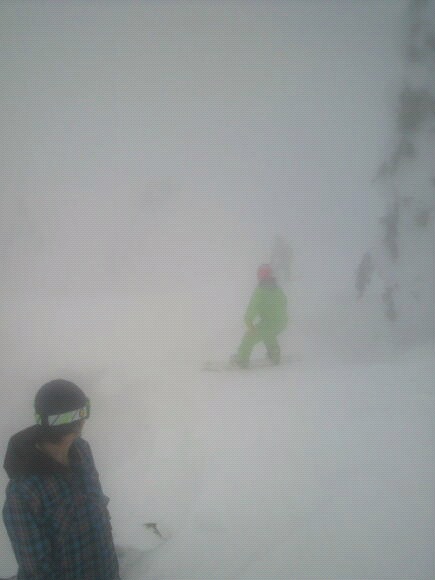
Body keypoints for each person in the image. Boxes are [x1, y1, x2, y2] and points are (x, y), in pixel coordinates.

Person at [2, 379, 120, 580]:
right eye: (85, 411)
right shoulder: (23, 492)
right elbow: (37, 571)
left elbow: (98, 506)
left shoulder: (82, 451)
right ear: (78, 419)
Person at [233, 264, 288, 368]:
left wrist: (248, 321)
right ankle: (274, 355)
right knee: (269, 335)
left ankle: (241, 360)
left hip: (269, 323)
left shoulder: (260, 291)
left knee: (249, 338)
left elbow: (253, 307)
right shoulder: (277, 289)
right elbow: (284, 302)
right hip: (281, 322)